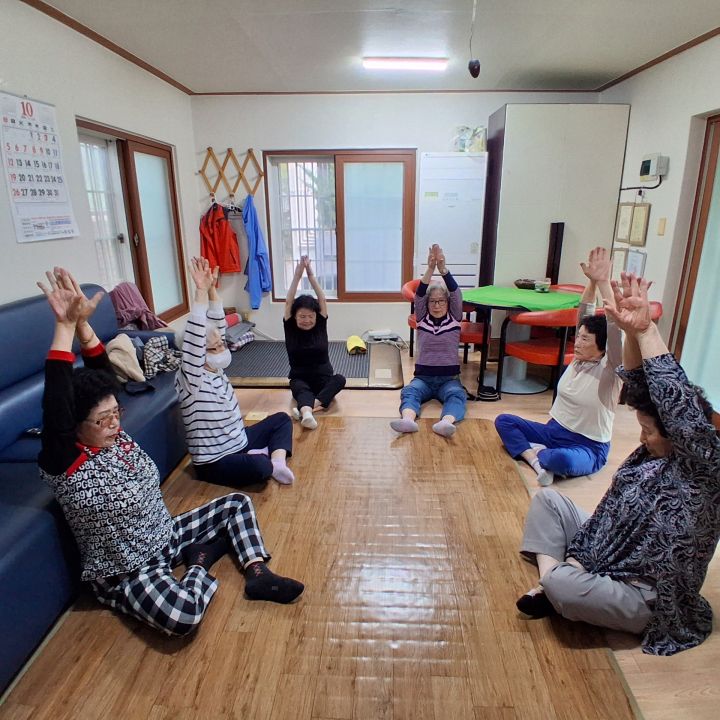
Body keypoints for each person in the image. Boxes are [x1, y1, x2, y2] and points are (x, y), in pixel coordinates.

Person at [37, 267, 304, 637]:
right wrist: (65, 327)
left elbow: (105, 378)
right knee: (184, 616)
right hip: (129, 570)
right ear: (76, 426)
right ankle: (200, 561)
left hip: (165, 534)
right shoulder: (67, 463)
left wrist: (84, 327)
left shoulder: (115, 437)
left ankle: (257, 572)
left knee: (238, 504)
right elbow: (56, 404)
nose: (114, 423)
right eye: (102, 419)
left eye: (116, 413)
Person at [516, 272, 720, 656]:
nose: (642, 438)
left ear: (679, 433)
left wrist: (647, 331)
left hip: (642, 594)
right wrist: (629, 332)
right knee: (547, 501)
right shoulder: (653, 453)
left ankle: (555, 581)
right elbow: (639, 382)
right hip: (605, 547)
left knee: (562, 584)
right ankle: (560, 576)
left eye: (649, 431)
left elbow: (676, 402)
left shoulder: (705, 466)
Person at [494, 246, 622, 485]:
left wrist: (605, 283)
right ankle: (536, 460)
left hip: (588, 446)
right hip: (553, 431)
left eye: (585, 339)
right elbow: (584, 312)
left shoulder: (609, 371)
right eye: (579, 336)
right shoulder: (578, 359)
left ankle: (538, 454)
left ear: (602, 348)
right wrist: (592, 283)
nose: (578, 342)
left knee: (560, 459)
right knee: (504, 421)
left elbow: (615, 328)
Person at [177, 257, 295, 486]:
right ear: (196, 353)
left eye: (221, 344)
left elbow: (218, 325)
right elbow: (195, 336)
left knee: (282, 419)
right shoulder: (191, 378)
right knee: (260, 468)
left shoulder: (216, 370)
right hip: (215, 461)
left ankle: (277, 462)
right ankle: (264, 459)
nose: (221, 349)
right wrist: (199, 292)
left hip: (239, 441)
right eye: (214, 348)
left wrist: (211, 289)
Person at [390, 244, 466, 438]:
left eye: (441, 301)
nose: (437, 305)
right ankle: (408, 420)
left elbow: (456, 293)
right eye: (433, 301)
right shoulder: (422, 318)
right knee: (409, 392)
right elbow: (419, 295)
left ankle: (446, 423)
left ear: (447, 303)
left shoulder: (454, 317)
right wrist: (430, 268)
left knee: (457, 395)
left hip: (449, 379)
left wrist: (443, 269)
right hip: (423, 379)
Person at [284, 256, 345, 430]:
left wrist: (310, 274)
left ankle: (307, 410)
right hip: (300, 378)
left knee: (339, 379)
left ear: (316, 316)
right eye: (302, 316)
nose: (307, 320)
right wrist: (297, 275)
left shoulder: (320, 324)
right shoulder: (290, 327)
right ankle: (309, 413)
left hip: (323, 379)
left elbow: (322, 299)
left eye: (310, 316)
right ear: (295, 316)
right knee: (300, 388)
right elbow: (289, 301)